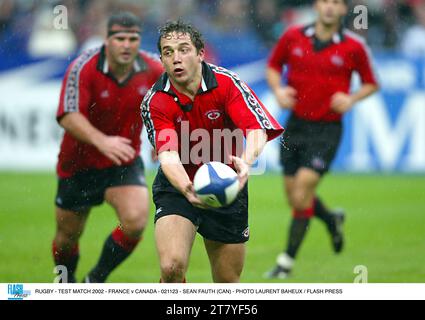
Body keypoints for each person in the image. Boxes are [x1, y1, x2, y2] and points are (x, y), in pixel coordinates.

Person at [141, 20, 284, 283]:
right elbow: (168, 155)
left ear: (200, 53)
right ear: (161, 59)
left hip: (227, 186)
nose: (176, 58)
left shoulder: (227, 83)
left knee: (226, 284)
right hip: (178, 187)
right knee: (172, 267)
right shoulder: (156, 100)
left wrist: (245, 161)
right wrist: (186, 188)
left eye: (183, 49)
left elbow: (256, 129)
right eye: (168, 52)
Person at [264, 0, 379, 279]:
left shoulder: (353, 47)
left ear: (343, 10)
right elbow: (272, 66)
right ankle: (331, 219)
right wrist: (278, 90)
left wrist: (351, 98)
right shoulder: (293, 36)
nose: (330, 7)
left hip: (327, 130)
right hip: (295, 126)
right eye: (326, 1)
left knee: (303, 191)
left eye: (337, 2)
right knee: (295, 198)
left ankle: (285, 263)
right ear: (317, 5)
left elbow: (371, 83)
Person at [52, 11, 163, 283]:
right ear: (107, 40)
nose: (127, 45)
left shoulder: (153, 69)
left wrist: (160, 138)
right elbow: (68, 114)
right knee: (66, 239)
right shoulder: (83, 67)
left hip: (123, 160)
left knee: (135, 222)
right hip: (79, 162)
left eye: (133, 38)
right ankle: (66, 284)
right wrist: (102, 140)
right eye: (120, 38)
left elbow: (170, 102)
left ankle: (95, 281)